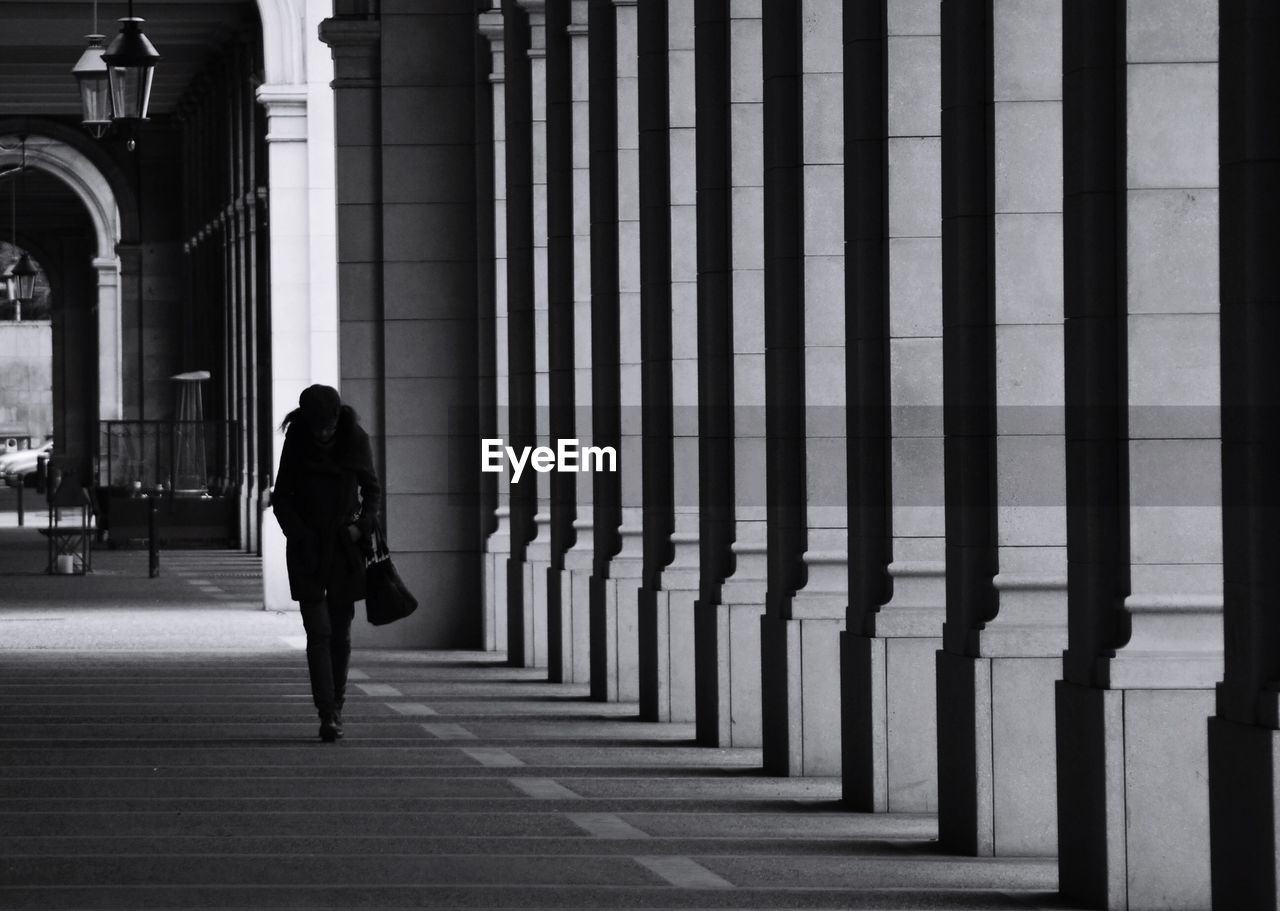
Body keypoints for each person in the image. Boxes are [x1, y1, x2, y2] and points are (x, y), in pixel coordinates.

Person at [272, 384, 380, 742]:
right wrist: (299, 535)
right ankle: (327, 711)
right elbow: (281, 495)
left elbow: (372, 490)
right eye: (318, 427)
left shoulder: (355, 438)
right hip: (307, 547)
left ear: (337, 419)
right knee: (318, 632)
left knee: (340, 633)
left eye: (328, 427)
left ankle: (337, 704)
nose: (323, 434)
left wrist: (359, 527)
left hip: (343, 546)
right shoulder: (297, 439)